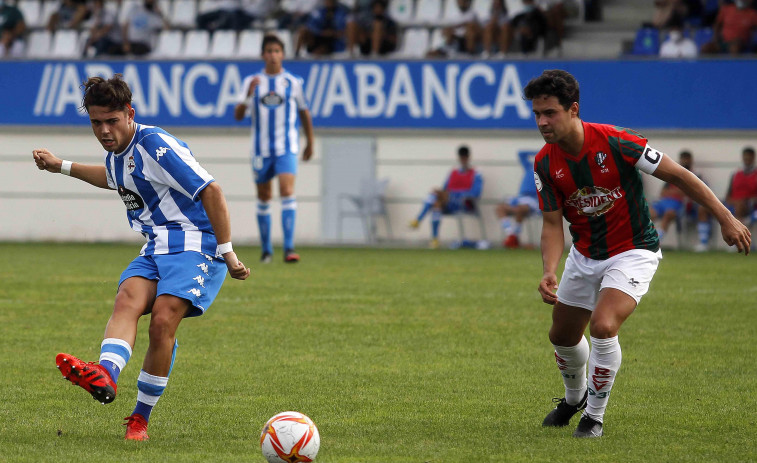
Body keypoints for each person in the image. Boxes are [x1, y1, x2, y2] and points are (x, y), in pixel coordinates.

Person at [524, 69, 750, 438]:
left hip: (633, 250)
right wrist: (550, 269)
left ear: (574, 109)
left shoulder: (618, 141)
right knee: (562, 336)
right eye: (537, 114)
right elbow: (552, 223)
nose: (542, 121)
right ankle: (574, 396)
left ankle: (593, 417)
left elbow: (679, 176)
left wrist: (725, 218)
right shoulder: (545, 163)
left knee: (603, 325)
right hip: (584, 255)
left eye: (550, 112)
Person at [32, 74, 250, 441]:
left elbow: (211, 190)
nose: (104, 130)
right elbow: (113, 178)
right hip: (154, 246)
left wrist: (227, 252)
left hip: (195, 244)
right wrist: (61, 166)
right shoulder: (119, 152)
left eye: (111, 121)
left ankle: (139, 420)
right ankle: (105, 374)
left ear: (130, 114)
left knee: (162, 321)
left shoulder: (154, 144)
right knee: (126, 299)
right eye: (96, 123)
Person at [234, 34, 314, 264]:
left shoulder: (293, 82)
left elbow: (304, 112)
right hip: (260, 150)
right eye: (268, 51)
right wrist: (248, 95)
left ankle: (289, 248)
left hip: (286, 147)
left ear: (283, 54)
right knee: (264, 196)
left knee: (287, 191)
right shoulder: (252, 81)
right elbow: (238, 115)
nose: (273, 55)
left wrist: (310, 142)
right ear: (263, 55)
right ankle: (267, 250)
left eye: (277, 51)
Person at [409, 145, 483, 249]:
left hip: (465, 204)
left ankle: (418, 220)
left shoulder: (476, 174)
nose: (463, 160)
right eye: (461, 158)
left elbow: (476, 193)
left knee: (436, 198)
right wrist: (442, 193)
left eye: (464, 157)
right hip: (448, 203)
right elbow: (445, 188)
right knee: (435, 202)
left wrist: (454, 194)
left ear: (468, 158)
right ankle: (434, 240)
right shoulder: (453, 172)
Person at [650, 150, 712, 251]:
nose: (685, 161)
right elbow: (663, 192)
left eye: (687, 159)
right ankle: (641, 242)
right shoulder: (673, 174)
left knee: (669, 214)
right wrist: (677, 191)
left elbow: (692, 192)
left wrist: (676, 192)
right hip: (664, 201)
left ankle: (655, 242)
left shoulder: (695, 176)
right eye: (683, 159)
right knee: (648, 214)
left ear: (691, 160)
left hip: (680, 204)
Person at [497, 150, 539, 249]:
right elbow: (521, 153)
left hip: (534, 199)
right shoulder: (529, 167)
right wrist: (541, 152)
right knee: (500, 208)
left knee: (520, 209)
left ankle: (513, 237)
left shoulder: (547, 171)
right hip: (521, 197)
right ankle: (511, 235)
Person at [724, 146, 757, 224]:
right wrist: (732, 201)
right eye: (745, 158)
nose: (747, 160)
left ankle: (738, 231)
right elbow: (728, 195)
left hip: (750, 205)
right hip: (734, 203)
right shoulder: (735, 174)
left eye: (749, 158)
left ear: (753, 158)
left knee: (740, 205)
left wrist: (747, 200)